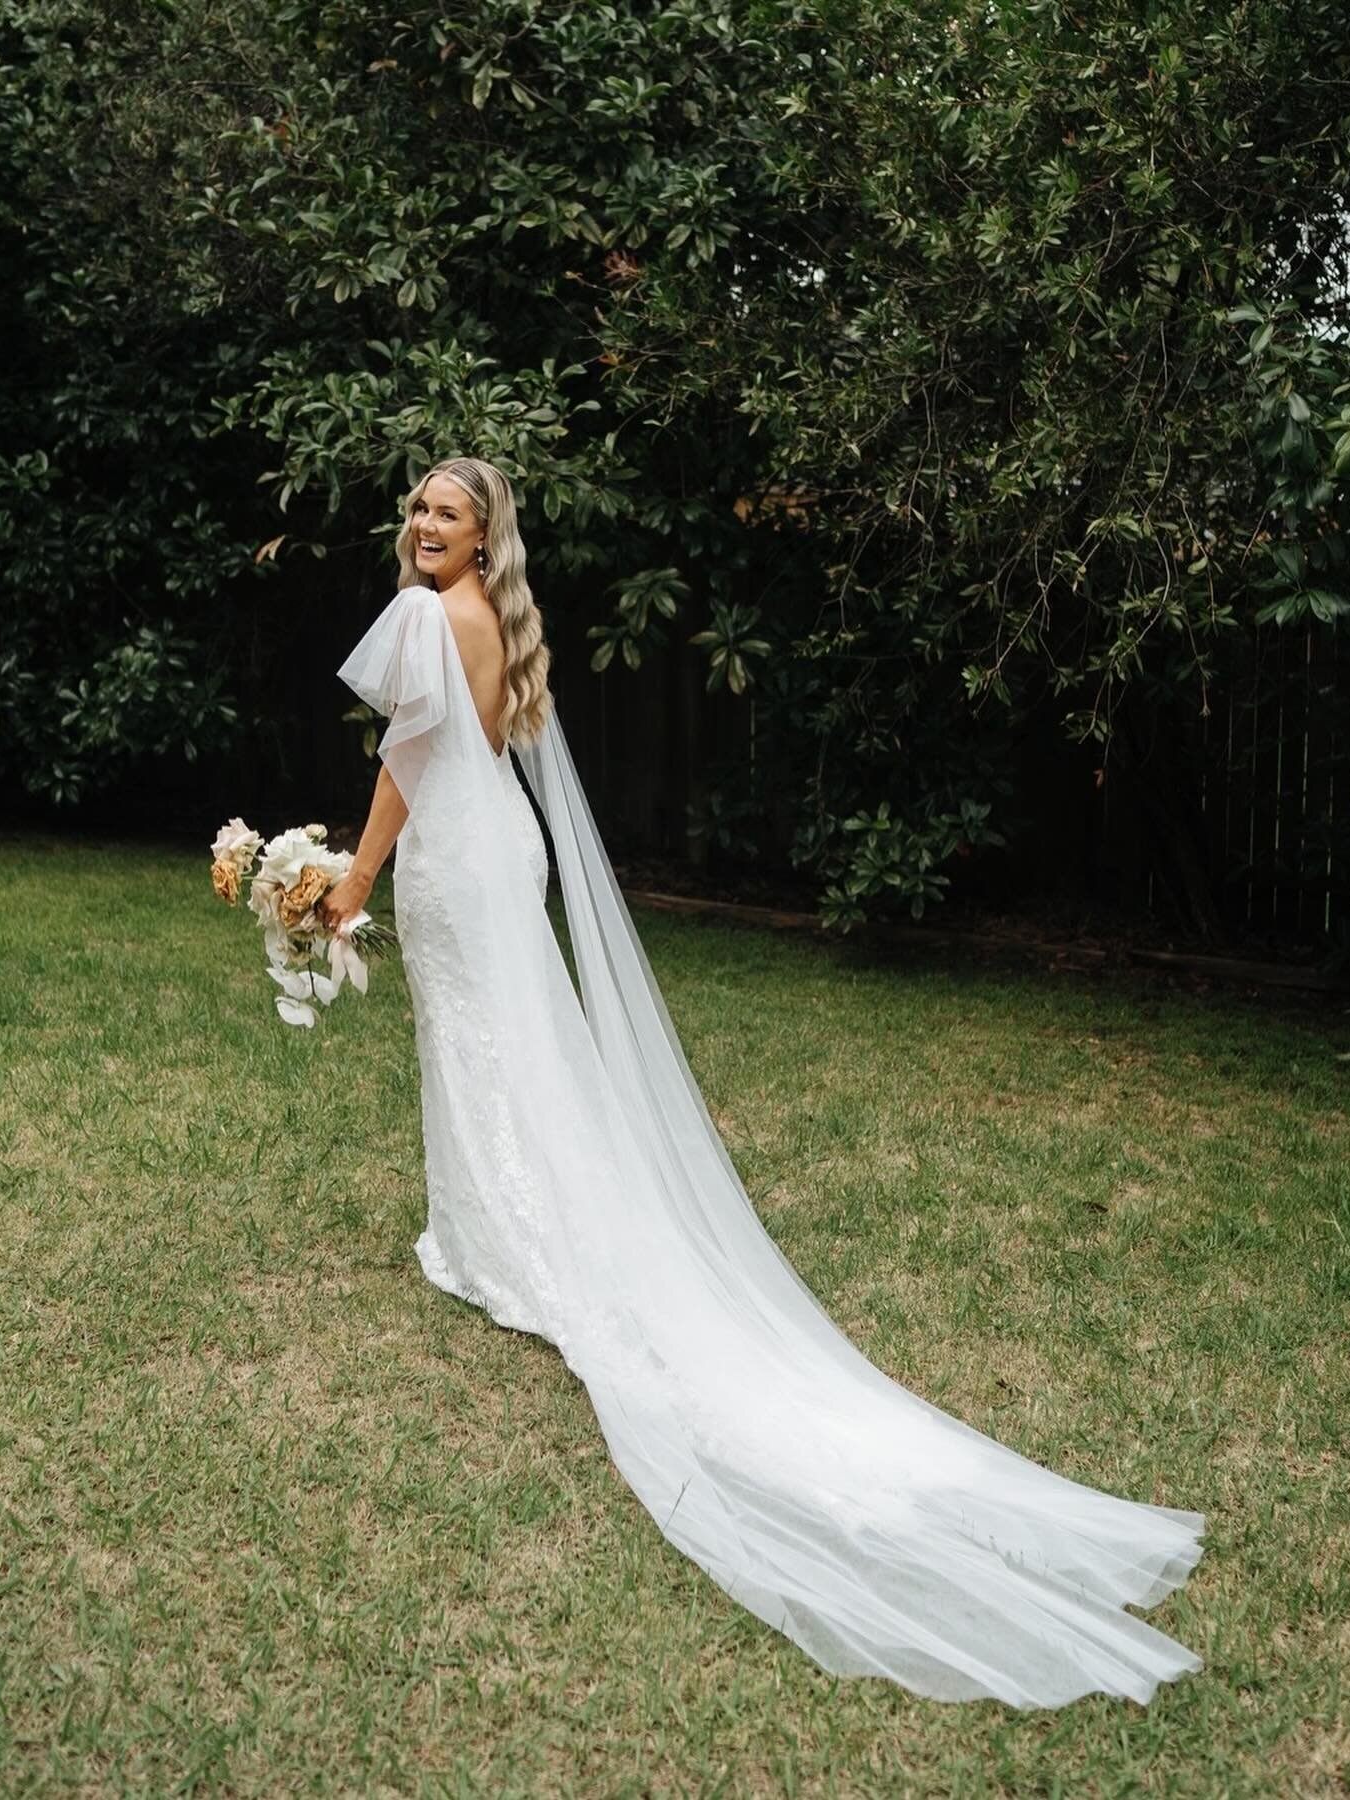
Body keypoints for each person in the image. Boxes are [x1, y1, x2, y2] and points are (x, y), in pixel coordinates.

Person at [322, 456, 1206, 1708]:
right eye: (416, 510)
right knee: (510, 1050)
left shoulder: (424, 616)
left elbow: (406, 759)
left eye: (445, 515)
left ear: (482, 539)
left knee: (484, 1045)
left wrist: (351, 881)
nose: (422, 527)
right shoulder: (498, 621)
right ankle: (488, 1225)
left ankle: (501, 1242)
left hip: (458, 862)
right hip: (501, 853)